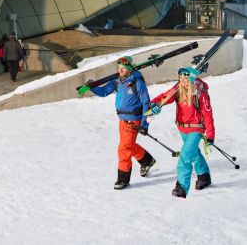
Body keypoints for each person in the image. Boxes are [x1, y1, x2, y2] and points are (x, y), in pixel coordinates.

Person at [86, 55, 155, 190]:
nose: (120, 70)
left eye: (123, 68)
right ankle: (147, 161)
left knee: (123, 149)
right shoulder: (117, 81)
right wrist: (92, 87)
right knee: (128, 145)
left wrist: (145, 124)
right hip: (122, 120)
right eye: (118, 68)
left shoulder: (137, 83)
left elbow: (147, 104)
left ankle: (123, 179)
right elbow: (104, 92)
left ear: (129, 69)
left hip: (134, 120)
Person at [148, 66, 216, 198]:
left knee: (185, 157)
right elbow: (164, 97)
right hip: (183, 128)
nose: (183, 80)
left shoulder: (200, 94)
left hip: (196, 128)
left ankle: (181, 188)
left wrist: (210, 135)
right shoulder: (177, 89)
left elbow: (208, 115)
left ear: (191, 78)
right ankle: (204, 176)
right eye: (181, 77)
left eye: (186, 77)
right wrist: (154, 104)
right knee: (194, 153)